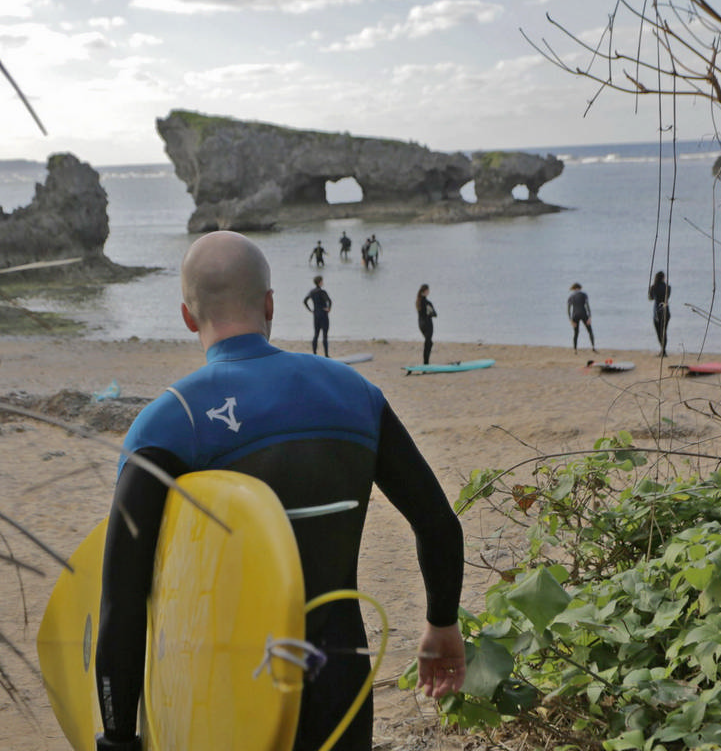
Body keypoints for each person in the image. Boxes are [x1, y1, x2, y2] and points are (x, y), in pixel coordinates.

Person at [93, 231, 466, 751]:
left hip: (225, 696)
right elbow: (437, 523)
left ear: (186, 315)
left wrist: (116, 737)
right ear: (270, 304)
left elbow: (123, 602)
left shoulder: (167, 425)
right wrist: (441, 624)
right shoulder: (357, 395)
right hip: (341, 682)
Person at [304, 274, 332, 357]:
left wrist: (310, 310)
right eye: (322, 281)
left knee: (316, 334)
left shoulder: (312, 292)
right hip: (323, 314)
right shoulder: (322, 292)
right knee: (325, 335)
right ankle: (326, 355)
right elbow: (329, 301)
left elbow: (305, 301)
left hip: (316, 314)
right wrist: (329, 308)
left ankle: (314, 353)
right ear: (320, 282)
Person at [566, 283, 596, 353]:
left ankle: (575, 349)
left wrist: (570, 320)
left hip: (575, 315)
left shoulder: (571, 296)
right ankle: (593, 347)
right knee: (590, 331)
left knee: (576, 333)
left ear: (574, 288)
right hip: (583, 314)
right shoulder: (584, 295)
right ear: (579, 288)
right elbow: (587, 306)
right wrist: (589, 317)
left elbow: (568, 309)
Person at [648, 271, 671, 357]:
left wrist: (650, 290)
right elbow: (667, 297)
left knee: (659, 333)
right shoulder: (668, 287)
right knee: (664, 331)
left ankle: (663, 350)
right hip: (666, 312)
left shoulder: (653, 287)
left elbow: (650, 298)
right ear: (663, 278)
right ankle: (663, 351)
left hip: (657, 313)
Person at [416, 283, 437, 365]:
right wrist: (431, 313)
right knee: (428, 343)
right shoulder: (427, 303)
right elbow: (435, 314)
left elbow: (421, 313)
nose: (429, 292)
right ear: (425, 291)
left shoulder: (418, 301)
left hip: (421, 324)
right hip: (428, 324)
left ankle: (426, 363)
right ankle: (426, 363)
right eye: (428, 290)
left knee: (428, 342)